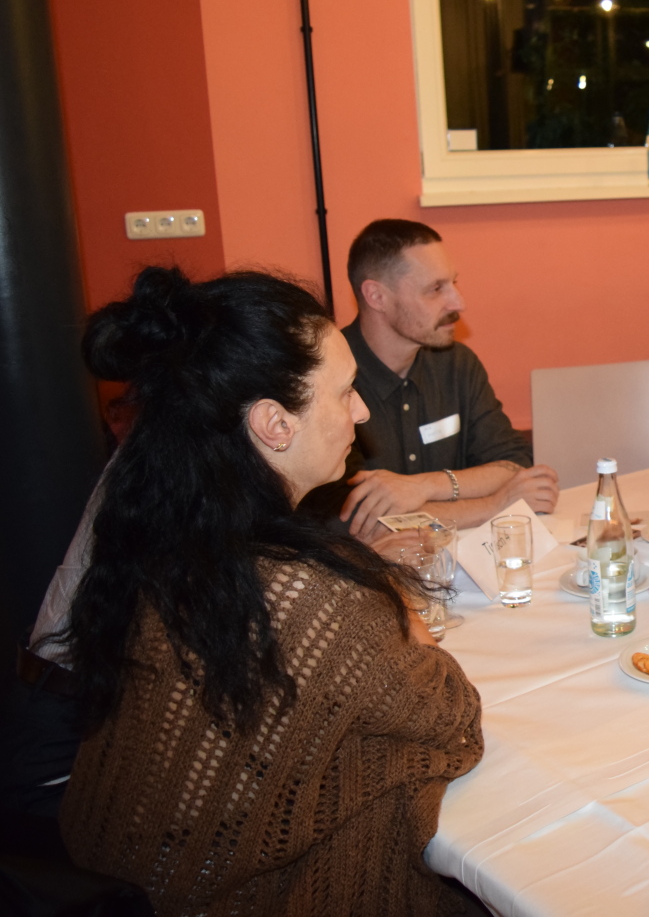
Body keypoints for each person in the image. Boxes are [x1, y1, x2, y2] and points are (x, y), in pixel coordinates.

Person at [59, 267, 484, 915]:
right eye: (344, 393)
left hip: (113, 879)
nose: (362, 410)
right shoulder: (310, 595)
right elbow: (454, 718)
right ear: (273, 424)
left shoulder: (160, 529)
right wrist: (395, 606)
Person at [323, 219, 558, 541]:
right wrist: (493, 505)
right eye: (435, 289)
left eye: (453, 283)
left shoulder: (457, 364)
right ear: (376, 296)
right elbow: (358, 522)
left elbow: (514, 465)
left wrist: (424, 486)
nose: (458, 303)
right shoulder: (325, 379)